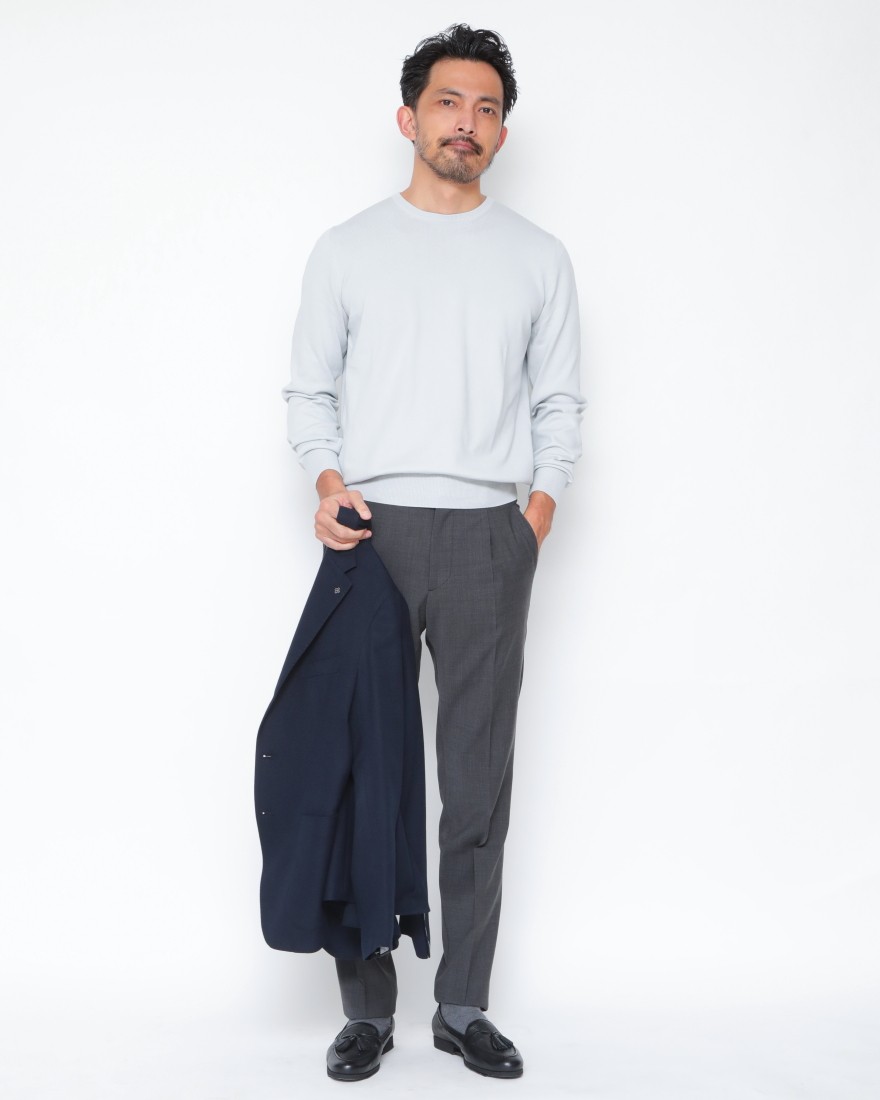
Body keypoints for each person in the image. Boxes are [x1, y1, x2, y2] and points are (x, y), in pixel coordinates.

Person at [281, 23, 586, 1082]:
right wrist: (328, 482)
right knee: (361, 772)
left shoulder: (537, 258)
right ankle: (367, 1010)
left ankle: (462, 1005)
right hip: (373, 530)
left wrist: (533, 514)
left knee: (476, 778)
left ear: (502, 133)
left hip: (488, 533)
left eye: (488, 108)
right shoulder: (348, 248)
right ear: (408, 118)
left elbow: (559, 403)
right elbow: (309, 390)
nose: (469, 122)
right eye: (450, 102)